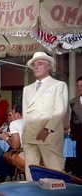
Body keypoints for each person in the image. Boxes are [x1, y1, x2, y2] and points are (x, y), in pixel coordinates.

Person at [22, 51, 68, 181]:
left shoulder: (58, 85)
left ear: (49, 67)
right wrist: (23, 134)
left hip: (49, 135)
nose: (36, 67)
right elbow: (26, 114)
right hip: (30, 136)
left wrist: (47, 129)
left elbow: (60, 110)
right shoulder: (27, 89)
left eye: (40, 64)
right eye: (34, 65)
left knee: (55, 173)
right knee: (30, 174)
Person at [70, 76, 82, 178]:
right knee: (79, 160)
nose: (79, 88)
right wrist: (73, 134)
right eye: (78, 86)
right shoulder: (73, 102)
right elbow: (72, 119)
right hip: (79, 137)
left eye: (81, 86)